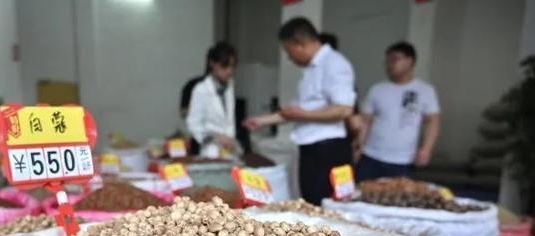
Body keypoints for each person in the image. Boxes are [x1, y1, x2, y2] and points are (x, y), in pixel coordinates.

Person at [244, 17, 356, 205]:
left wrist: (302, 114)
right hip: (311, 148)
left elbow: (344, 109)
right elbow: (295, 112)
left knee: (326, 205)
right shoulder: (311, 70)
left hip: (328, 149)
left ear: (300, 44)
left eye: (288, 51)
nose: (289, 58)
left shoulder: (334, 64)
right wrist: (261, 121)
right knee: (311, 201)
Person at [355, 41, 441, 181]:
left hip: (403, 161)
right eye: (387, 61)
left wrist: (426, 149)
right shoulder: (377, 89)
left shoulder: (425, 90)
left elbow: (433, 122)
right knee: (362, 191)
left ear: (410, 61)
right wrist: (358, 148)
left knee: (397, 194)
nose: (389, 65)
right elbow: (365, 122)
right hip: (371, 156)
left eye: (395, 60)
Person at [186, 42, 238, 156]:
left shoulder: (230, 86)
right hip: (211, 151)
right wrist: (216, 137)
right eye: (224, 66)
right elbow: (193, 124)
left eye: (232, 66)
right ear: (212, 64)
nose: (229, 71)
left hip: (230, 150)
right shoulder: (201, 89)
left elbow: (228, 120)